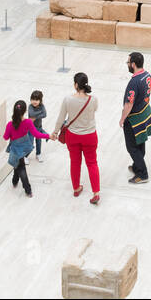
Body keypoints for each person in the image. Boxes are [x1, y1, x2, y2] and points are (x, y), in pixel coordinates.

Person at [54, 72, 100, 204]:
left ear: (75, 85)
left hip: (72, 136)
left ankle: (76, 188)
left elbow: (61, 118)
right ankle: (96, 193)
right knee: (92, 163)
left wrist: (55, 132)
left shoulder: (68, 99)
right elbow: (94, 110)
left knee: (75, 162)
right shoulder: (93, 99)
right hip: (90, 135)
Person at [3, 99, 52, 198]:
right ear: (25, 111)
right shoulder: (28, 122)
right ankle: (15, 181)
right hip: (25, 147)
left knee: (21, 168)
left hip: (16, 150)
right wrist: (48, 136)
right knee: (18, 164)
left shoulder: (10, 125)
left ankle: (27, 189)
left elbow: (5, 137)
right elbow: (36, 134)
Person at [120, 51, 151, 184]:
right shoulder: (147, 75)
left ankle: (142, 173)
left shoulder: (134, 82)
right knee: (140, 141)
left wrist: (122, 118)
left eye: (128, 63)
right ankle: (136, 166)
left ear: (133, 64)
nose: (128, 65)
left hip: (134, 118)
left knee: (131, 147)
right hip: (144, 112)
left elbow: (129, 104)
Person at [28, 90, 47, 161]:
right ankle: (25, 156)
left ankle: (38, 154)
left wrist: (35, 117)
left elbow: (45, 115)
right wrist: (40, 113)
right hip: (31, 129)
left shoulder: (42, 106)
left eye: (36, 100)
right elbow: (31, 114)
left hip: (39, 127)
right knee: (30, 143)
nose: (34, 101)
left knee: (39, 142)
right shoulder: (30, 106)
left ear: (40, 100)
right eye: (32, 99)